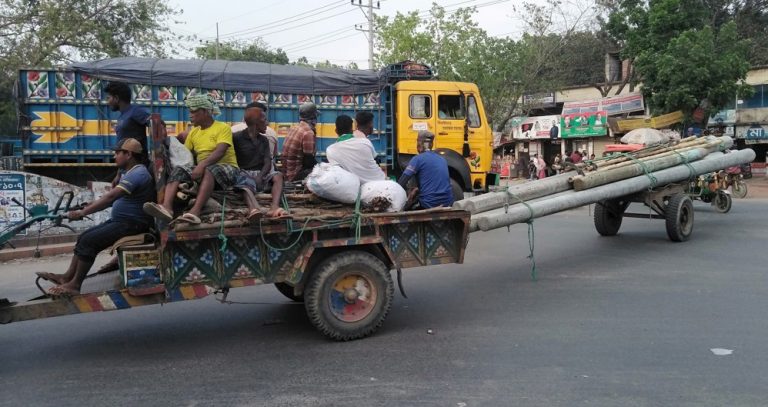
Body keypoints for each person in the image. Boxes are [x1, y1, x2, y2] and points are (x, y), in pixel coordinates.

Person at [37, 139, 154, 296]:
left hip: (132, 224)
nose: (114, 156)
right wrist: (90, 205)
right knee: (84, 237)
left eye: (117, 153)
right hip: (124, 222)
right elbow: (113, 198)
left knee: (89, 241)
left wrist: (82, 213)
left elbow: (111, 197)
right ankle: (67, 277)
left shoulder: (137, 174)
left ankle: (75, 285)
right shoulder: (131, 173)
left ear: (129, 154)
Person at [143, 94, 239, 224]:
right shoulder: (194, 132)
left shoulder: (222, 127)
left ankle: (195, 211)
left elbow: (220, 151)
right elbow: (186, 155)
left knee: (210, 169)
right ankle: (167, 207)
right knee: (180, 169)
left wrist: (201, 165)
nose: (190, 115)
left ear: (205, 111)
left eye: (193, 111)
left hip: (227, 168)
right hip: (205, 170)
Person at [232, 105, 287, 220]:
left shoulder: (264, 139)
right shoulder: (236, 138)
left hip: (261, 174)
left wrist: (260, 176)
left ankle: (274, 207)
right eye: (264, 120)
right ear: (256, 123)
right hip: (244, 173)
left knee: (278, 176)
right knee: (244, 184)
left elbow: (267, 162)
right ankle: (253, 208)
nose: (267, 123)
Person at [397, 131, 454, 209]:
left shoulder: (417, 159)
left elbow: (401, 182)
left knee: (409, 207)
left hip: (429, 205)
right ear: (431, 145)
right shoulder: (442, 159)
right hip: (448, 203)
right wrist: (417, 189)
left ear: (419, 144)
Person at [326, 115, 385, 184]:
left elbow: (338, 172)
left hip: (355, 186)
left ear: (336, 131)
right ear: (352, 130)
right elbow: (377, 161)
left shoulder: (330, 150)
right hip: (380, 181)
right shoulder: (365, 142)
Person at [232, 101, 278, 167]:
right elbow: (274, 155)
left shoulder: (232, 130)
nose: (267, 123)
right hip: (265, 169)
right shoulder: (272, 132)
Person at [282, 102, 318, 182]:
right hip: (295, 174)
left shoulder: (294, 128)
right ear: (313, 118)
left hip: (286, 173)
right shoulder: (308, 132)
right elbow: (309, 162)